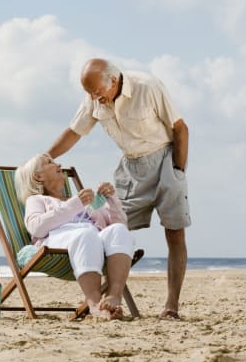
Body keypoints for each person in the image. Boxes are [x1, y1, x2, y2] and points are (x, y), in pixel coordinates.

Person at [47, 58, 190, 320]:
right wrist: (46, 156)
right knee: (111, 229)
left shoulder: (148, 86)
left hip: (165, 158)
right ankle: (104, 296)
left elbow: (180, 128)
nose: (94, 98)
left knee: (174, 232)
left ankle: (171, 306)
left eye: (98, 93)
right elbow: (74, 132)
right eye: (90, 94)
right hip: (131, 166)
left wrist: (178, 171)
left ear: (113, 80)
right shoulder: (94, 98)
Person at [15, 152, 135, 320]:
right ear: (38, 176)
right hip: (57, 242)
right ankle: (94, 303)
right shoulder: (37, 200)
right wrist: (75, 204)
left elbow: (119, 227)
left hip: (91, 243)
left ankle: (114, 295)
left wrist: (112, 199)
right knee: (86, 233)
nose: (58, 165)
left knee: (118, 231)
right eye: (49, 162)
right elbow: (37, 228)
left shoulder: (82, 202)